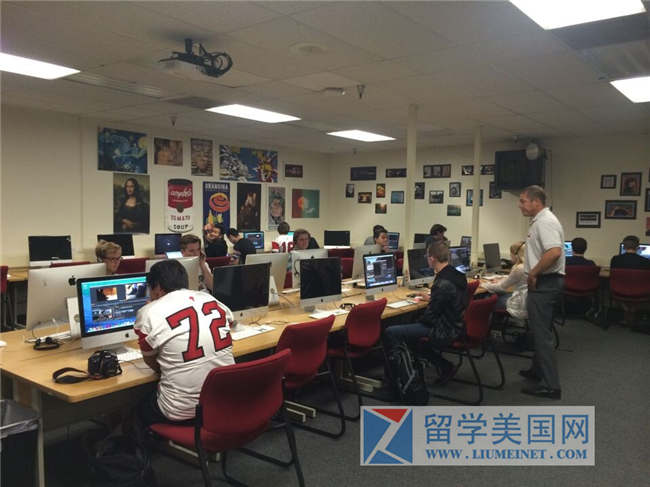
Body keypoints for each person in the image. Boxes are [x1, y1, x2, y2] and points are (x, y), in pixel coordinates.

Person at [134, 259, 235, 425]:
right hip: (225, 400)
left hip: (183, 412)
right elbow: (229, 324)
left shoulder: (149, 312)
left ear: (157, 287)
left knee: (136, 407)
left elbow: (150, 360)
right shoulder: (209, 298)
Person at [383, 242, 468, 386]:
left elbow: (429, 318)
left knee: (390, 331)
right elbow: (450, 299)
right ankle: (443, 366)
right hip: (456, 325)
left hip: (443, 330)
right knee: (410, 328)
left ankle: (395, 378)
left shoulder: (441, 282)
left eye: (427, 257)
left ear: (432, 258)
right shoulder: (457, 275)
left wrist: (414, 320)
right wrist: (432, 298)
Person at [518, 185, 564, 399]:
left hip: (545, 282)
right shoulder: (541, 220)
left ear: (536, 202)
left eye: (523, 201)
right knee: (539, 329)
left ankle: (551, 386)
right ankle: (537, 370)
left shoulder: (545, 222)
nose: (519, 205)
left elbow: (554, 252)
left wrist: (534, 273)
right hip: (547, 282)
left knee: (542, 334)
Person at [482, 241, 527, 320]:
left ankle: (488, 325)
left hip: (517, 305)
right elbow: (511, 281)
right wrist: (502, 280)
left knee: (486, 299)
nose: (510, 256)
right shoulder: (528, 265)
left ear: (516, 255)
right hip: (525, 302)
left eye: (511, 253)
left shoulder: (519, 268)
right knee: (497, 294)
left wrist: (483, 284)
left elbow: (501, 287)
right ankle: (497, 322)